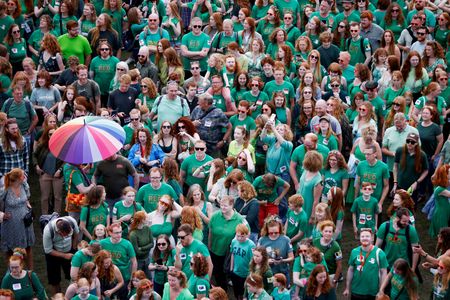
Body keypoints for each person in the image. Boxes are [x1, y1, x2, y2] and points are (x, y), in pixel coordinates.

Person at [0, 168, 34, 268]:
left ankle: (30, 273)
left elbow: (27, 197)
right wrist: (2, 214)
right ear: (18, 178)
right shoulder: (5, 189)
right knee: (12, 250)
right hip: (12, 224)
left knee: (28, 248)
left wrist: (28, 205)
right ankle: (13, 272)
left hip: (26, 222)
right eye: (23, 175)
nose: (25, 176)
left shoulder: (24, 185)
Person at [343, 228, 388, 299]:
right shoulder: (354, 252)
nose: (365, 238)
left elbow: (384, 272)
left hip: (373, 292)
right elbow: (350, 270)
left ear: (372, 238)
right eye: (362, 236)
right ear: (359, 238)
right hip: (356, 291)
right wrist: (347, 288)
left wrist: (381, 290)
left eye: (367, 236)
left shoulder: (380, 253)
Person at [42, 215, 80, 295]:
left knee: (74, 276)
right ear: (59, 232)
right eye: (65, 235)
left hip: (70, 250)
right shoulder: (48, 230)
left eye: (69, 234)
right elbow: (48, 250)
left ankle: (74, 296)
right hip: (53, 254)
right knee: (54, 280)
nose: (66, 237)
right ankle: (57, 296)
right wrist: (64, 255)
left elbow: (76, 233)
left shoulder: (72, 221)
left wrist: (74, 246)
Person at [99, 222, 137, 293]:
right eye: (116, 233)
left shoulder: (127, 244)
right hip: (107, 276)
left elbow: (134, 261)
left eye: (120, 232)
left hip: (124, 275)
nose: (119, 235)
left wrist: (132, 278)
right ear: (110, 233)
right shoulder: (103, 243)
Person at [355, 144, 389, 211]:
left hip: (376, 200)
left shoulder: (383, 167)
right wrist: (356, 198)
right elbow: (358, 183)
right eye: (365, 154)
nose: (366, 156)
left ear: (375, 154)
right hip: (362, 199)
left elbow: (386, 186)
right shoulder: (361, 165)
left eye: (368, 154)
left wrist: (380, 203)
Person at [312, 220, 342, 286]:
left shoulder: (336, 247)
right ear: (322, 232)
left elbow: (339, 265)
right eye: (326, 231)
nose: (328, 233)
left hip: (330, 275)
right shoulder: (315, 242)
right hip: (317, 274)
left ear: (333, 233)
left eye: (330, 232)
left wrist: (335, 280)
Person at [128, 211, 153, 279]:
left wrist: (141, 248)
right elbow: (137, 253)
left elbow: (152, 244)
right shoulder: (133, 234)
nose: (148, 219)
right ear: (141, 220)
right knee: (138, 279)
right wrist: (147, 249)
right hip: (138, 261)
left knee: (149, 278)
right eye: (146, 218)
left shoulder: (147, 229)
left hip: (147, 259)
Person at [429, 165, 450, 238]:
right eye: (449, 173)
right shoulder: (440, 189)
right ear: (445, 175)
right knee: (444, 234)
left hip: (444, 210)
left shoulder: (439, 183)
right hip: (442, 213)